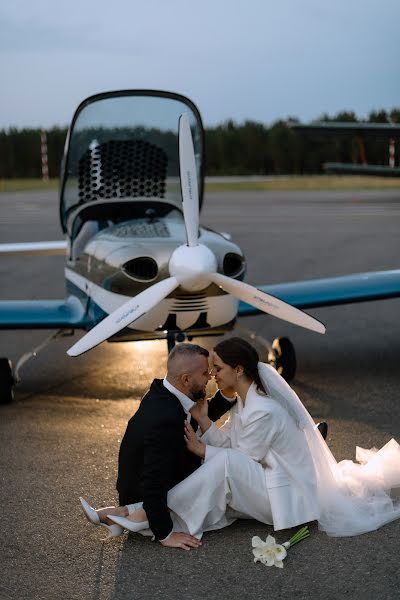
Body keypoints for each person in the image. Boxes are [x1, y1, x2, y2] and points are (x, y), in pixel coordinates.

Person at [109, 337, 400, 541]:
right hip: (268, 480)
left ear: (238, 370)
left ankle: (144, 514)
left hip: (287, 497)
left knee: (220, 467)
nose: (213, 375)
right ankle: (143, 514)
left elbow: (240, 460)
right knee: (218, 470)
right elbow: (235, 450)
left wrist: (201, 448)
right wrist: (205, 423)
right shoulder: (246, 401)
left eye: (218, 368)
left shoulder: (263, 410)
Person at [80, 343, 236, 549]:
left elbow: (198, 417)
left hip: (150, 478)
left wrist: (229, 393)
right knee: (220, 470)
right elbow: (154, 479)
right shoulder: (165, 418)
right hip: (144, 493)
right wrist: (165, 534)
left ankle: (117, 515)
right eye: (205, 373)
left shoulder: (164, 390)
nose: (209, 377)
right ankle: (132, 513)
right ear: (186, 379)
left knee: (215, 460)